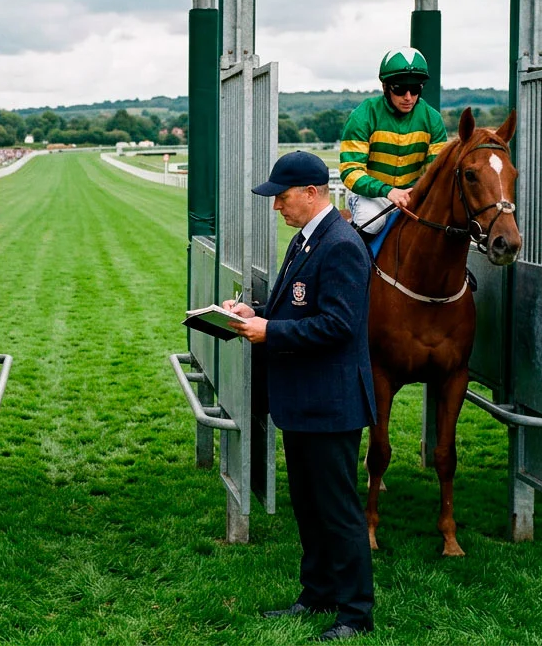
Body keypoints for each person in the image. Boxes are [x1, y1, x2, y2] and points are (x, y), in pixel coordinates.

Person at [222, 151, 376, 642]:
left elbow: (338, 325)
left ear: (312, 193)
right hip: (305, 402)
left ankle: (354, 614)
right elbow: (297, 306)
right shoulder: (306, 240)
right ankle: (317, 594)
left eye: (283, 198)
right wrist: (255, 312)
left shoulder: (342, 244)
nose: (277, 208)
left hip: (331, 404)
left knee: (337, 509)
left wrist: (271, 332)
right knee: (309, 507)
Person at [340, 47, 448, 239]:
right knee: (371, 222)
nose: (408, 97)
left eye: (415, 89)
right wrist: (387, 191)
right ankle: (357, 265)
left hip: (414, 196)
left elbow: (437, 171)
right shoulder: (364, 115)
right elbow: (350, 171)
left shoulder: (433, 119)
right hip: (370, 196)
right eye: (400, 89)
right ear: (385, 87)